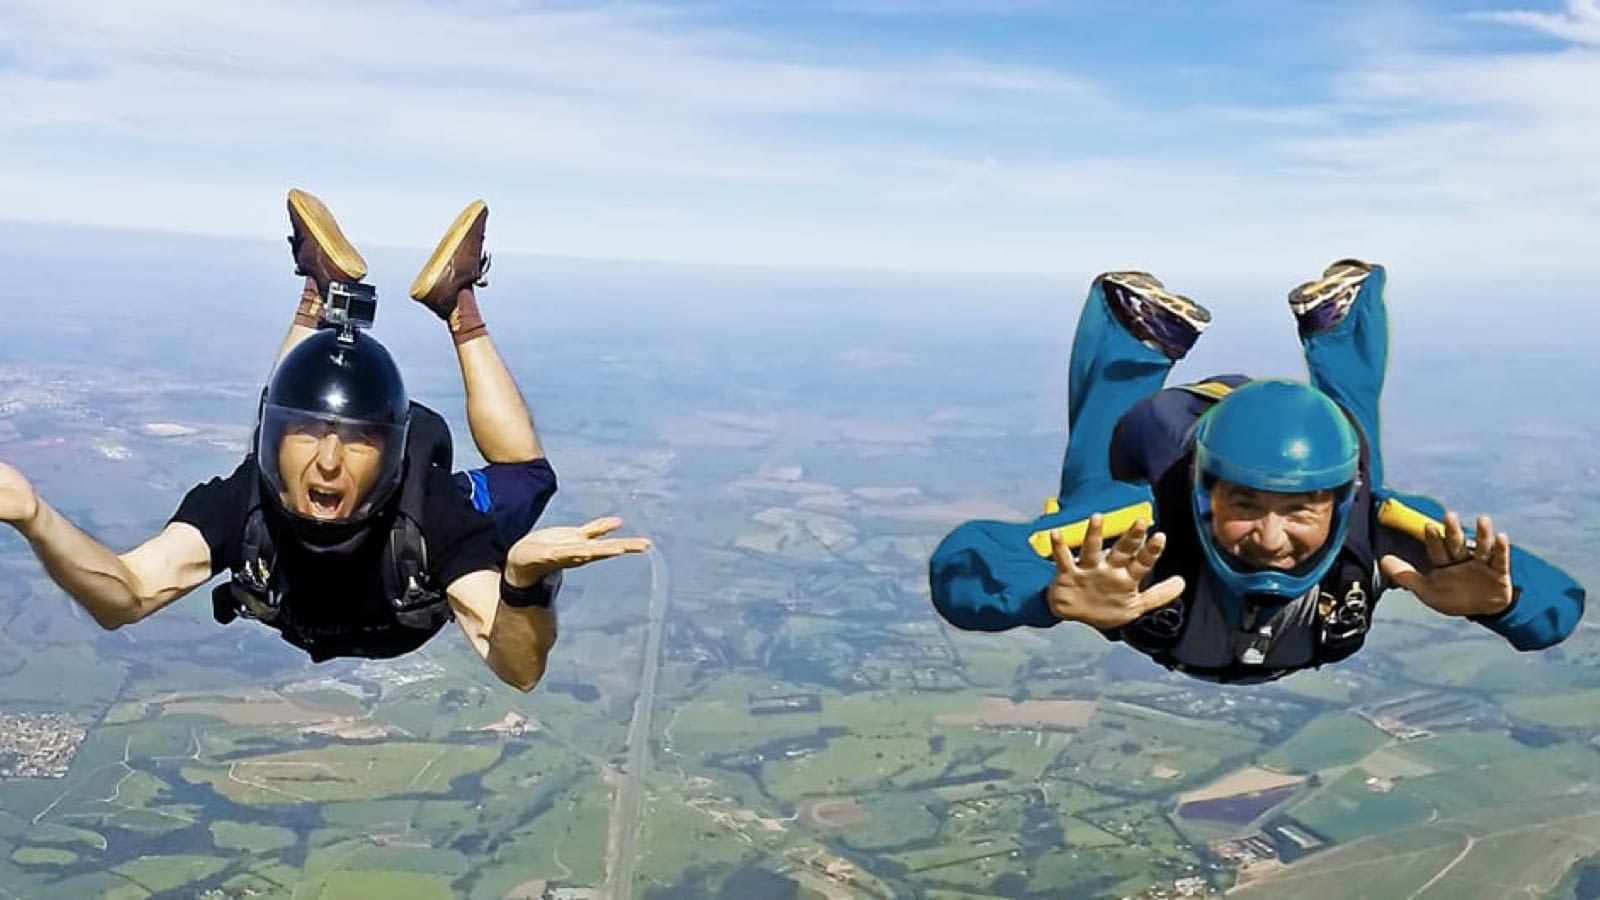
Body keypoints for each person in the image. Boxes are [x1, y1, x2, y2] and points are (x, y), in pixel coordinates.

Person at [0, 189, 650, 692]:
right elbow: (126, 594)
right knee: (281, 429)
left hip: (406, 569)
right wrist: (35, 516)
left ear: (392, 454)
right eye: (306, 436)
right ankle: (324, 294)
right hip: (305, 526)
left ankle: (458, 306)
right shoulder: (245, 501)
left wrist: (523, 584)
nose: (330, 463)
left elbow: (517, 667)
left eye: (359, 442)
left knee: (528, 480)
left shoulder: (434, 518)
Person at [928, 261, 1584, 683]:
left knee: (1358, 470)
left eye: (1299, 512)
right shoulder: (1142, 525)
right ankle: (1131, 335)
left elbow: (1558, 604)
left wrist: (1504, 601)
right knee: (1098, 480)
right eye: (1245, 505)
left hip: (1307, 461)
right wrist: (1047, 595)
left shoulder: (1381, 519)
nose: (1270, 539)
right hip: (1180, 430)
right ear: (1204, 494)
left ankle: (1338, 323)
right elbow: (965, 568)